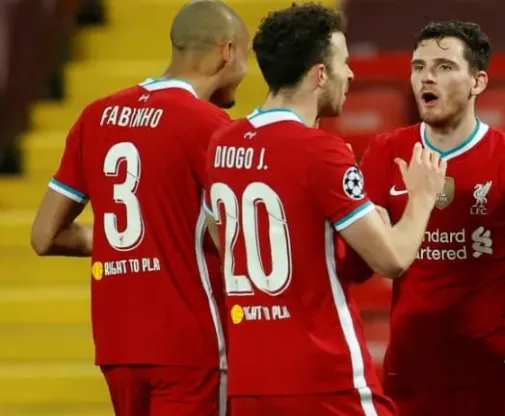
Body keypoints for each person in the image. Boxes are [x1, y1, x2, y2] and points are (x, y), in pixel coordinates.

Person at [202, 4, 446, 415]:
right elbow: (392, 259)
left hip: (251, 381)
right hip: (323, 378)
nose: (350, 75)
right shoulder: (320, 151)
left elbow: (221, 240)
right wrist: (422, 197)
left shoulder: (221, 143)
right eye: (343, 63)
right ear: (319, 75)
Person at [29, 1, 250, 415]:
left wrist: (134, 240)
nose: (245, 71)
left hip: (118, 346)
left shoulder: (96, 116)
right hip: (190, 345)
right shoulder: (211, 127)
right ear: (227, 51)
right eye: (246, 58)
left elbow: (44, 236)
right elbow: (236, 244)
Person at [342, 20, 505, 416]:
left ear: (478, 82)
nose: (427, 77)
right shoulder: (385, 152)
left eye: (444, 67)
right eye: (419, 67)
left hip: (490, 373)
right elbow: (357, 270)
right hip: (407, 372)